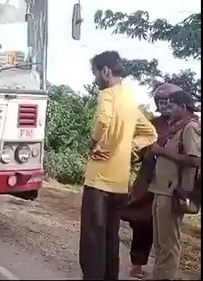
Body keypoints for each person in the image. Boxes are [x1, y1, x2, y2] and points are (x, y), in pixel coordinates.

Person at [79, 51, 158, 280]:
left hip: (98, 184)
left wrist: (93, 145)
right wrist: (128, 147)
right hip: (120, 186)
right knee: (110, 243)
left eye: (95, 73)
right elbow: (151, 134)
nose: (94, 79)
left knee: (92, 245)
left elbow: (103, 121)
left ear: (105, 71)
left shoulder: (108, 94)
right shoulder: (130, 99)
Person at [121, 83, 183, 279]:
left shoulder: (185, 125)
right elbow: (139, 148)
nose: (165, 106)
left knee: (166, 229)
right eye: (161, 102)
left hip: (171, 183)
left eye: (168, 102)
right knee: (142, 222)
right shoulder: (152, 124)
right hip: (147, 180)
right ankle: (137, 264)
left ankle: (164, 270)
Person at [148, 90, 201, 280]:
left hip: (172, 191)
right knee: (161, 241)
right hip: (161, 188)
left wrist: (162, 151)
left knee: (169, 242)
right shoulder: (177, 127)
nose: (168, 109)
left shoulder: (190, 128)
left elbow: (194, 159)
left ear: (183, 107)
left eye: (172, 106)